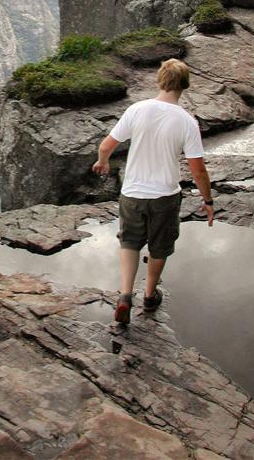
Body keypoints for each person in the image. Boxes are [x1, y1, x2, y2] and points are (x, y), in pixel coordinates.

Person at [92, 58, 214, 325]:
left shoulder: (138, 110)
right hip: (165, 196)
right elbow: (198, 170)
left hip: (133, 192)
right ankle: (149, 295)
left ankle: (124, 295)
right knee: (159, 247)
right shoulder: (186, 122)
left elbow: (105, 146)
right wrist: (207, 200)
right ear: (184, 85)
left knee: (129, 241)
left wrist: (103, 162)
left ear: (160, 80)